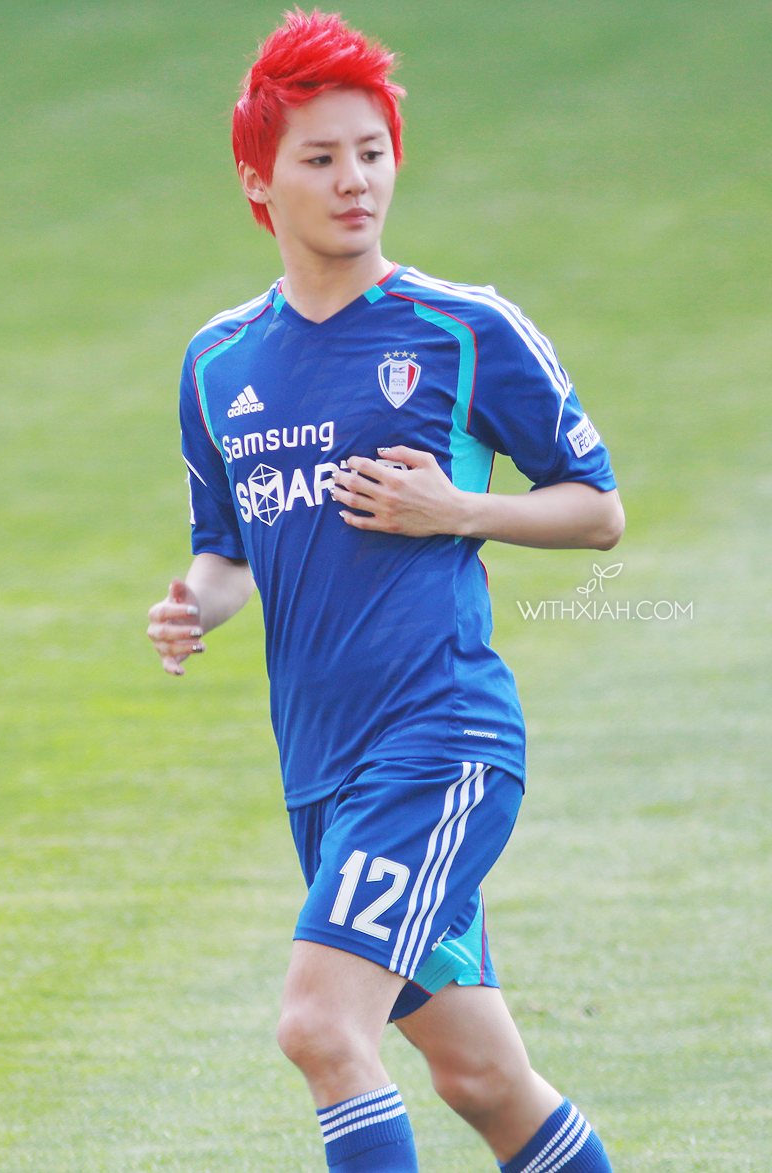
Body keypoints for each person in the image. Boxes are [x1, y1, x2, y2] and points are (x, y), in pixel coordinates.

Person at [147, 10, 624, 1172]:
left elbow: (595, 511)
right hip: (320, 769)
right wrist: (196, 603)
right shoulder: (219, 361)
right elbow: (227, 549)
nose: (355, 180)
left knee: (320, 1029)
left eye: (371, 152)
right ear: (258, 181)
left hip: (440, 744)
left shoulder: (463, 328)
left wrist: (457, 509)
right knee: (482, 1080)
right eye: (320, 158)